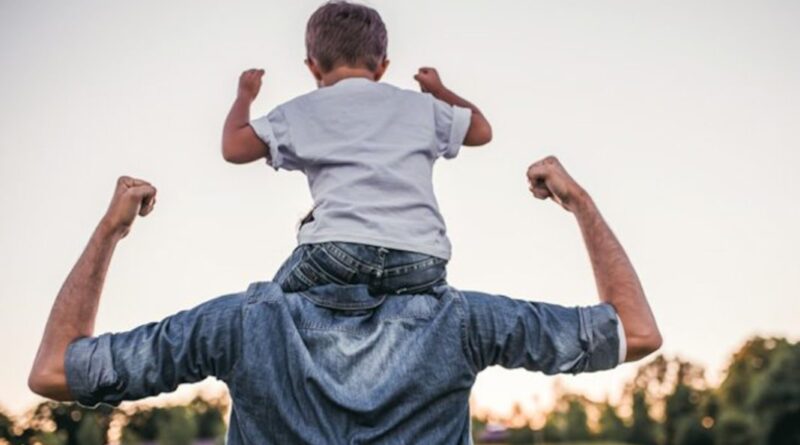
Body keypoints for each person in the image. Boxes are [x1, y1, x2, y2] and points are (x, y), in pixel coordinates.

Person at [28, 157, 662, 444]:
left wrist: (110, 231)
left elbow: (55, 370)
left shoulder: (240, 325)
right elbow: (635, 332)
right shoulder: (462, 322)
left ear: (309, 238)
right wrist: (580, 203)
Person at [221, 1, 492, 296]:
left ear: (312, 66)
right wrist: (439, 91)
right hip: (421, 257)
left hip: (339, 250)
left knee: (271, 304)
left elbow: (234, 148)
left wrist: (244, 96)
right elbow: (481, 130)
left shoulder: (303, 111)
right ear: (382, 66)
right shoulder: (421, 106)